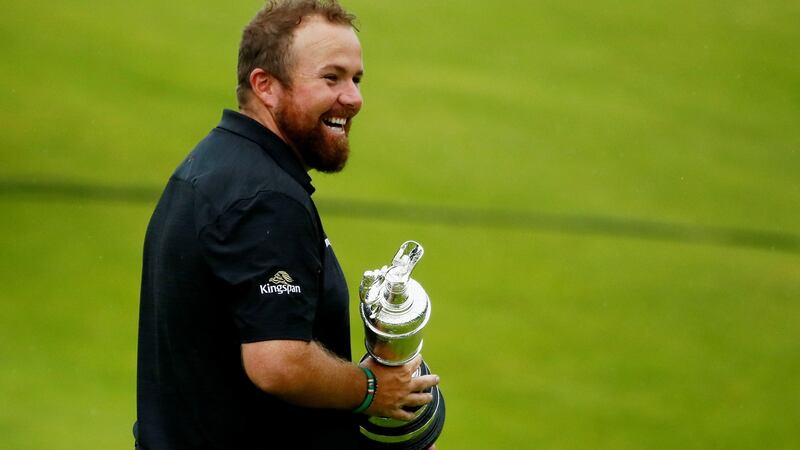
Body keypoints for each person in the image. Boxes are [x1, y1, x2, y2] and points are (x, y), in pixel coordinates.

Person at [134, 1, 440, 449]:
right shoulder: (266, 199)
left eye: (355, 79)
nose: (353, 98)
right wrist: (371, 388)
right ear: (266, 86)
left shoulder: (213, 163)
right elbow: (278, 363)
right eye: (331, 77)